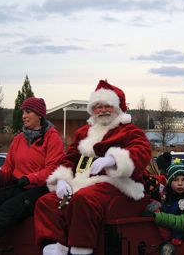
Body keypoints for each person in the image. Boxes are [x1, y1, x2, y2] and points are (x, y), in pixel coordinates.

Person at [34, 80, 152, 255]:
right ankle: (53, 248)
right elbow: (70, 159)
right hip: (83, 183)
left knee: (84, 199)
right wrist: (62, 180)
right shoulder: (83, 133)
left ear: (118, 108)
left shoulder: (129, 130)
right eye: (97, 107)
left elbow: (142, 151)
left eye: (107, 106)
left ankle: (80, 250)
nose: (102, 110)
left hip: (116, 183)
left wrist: (112, 159)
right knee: (46, 202)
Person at [0, 97, 65, 248]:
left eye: (28, 111)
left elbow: (52, 170)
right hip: (19, 186)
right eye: (23, 111)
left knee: (6, 211)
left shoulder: (52, 138)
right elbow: (8, 168)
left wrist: (29, 178)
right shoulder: (18, 139)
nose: (23, 115)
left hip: (40, 189)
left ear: (39, 115)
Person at [159, 163, 184, 246]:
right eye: (176, 179)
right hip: (166, 236)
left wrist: (178, 237)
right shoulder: (168, 197)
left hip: (179, 241)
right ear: (170, 181)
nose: (180, 183)